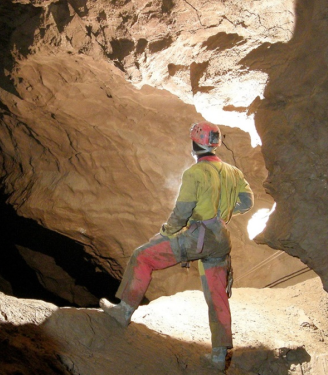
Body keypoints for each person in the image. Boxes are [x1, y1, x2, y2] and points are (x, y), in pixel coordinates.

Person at [100, 121, 254, 371]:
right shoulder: (233, 172)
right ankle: (218, 356)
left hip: (197, 237)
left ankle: (124, 311)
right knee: (217, 295)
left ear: (195, 143)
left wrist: (166, 232)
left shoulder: (194, 173)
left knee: (142, 257)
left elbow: (181, 212)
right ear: (215, 144)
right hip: (221, 240)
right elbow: (247, 201)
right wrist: (223, 216)